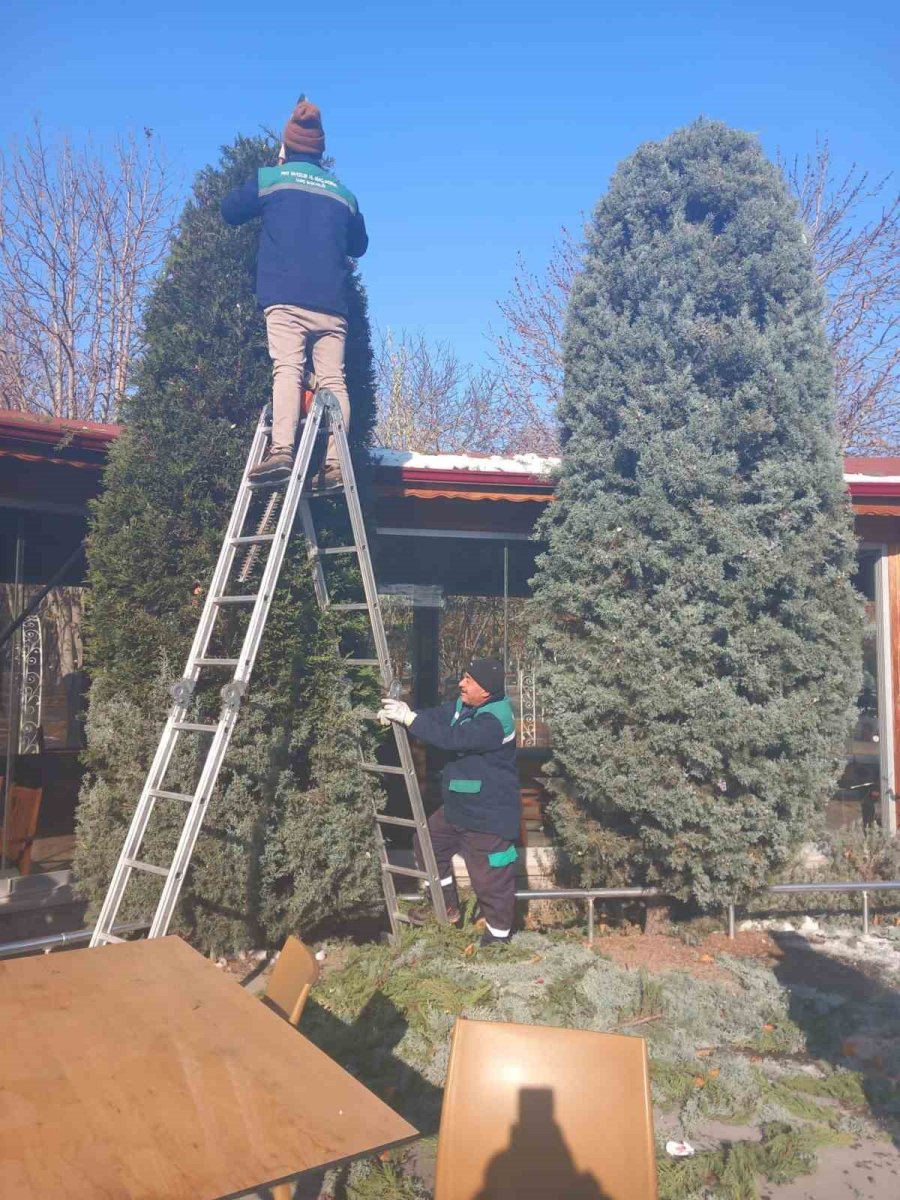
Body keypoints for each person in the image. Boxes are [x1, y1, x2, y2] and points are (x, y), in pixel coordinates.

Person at [221, 98, 368, 487]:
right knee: (334, 380)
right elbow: (359, 245)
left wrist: (277, 168)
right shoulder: (343, 194)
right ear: (321, 149)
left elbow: (230, 210)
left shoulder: (272, 179)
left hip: (285, 298)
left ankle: (282, 451)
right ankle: (336, 463)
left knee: (287, 367)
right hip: (332, 307)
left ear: (287, 145)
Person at [378, 657, 520, 946]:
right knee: (427, 844)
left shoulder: (495, 720)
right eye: (464, 676)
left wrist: (411, 720)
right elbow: (439, 718)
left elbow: (453, 738)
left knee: (490, 879)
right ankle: (447, 908)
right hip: (459, 808)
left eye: (469, 680)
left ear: (487, 691)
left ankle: (497, 941)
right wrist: (404, 714)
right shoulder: (465, 705)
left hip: (488, 816)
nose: (462, 683)